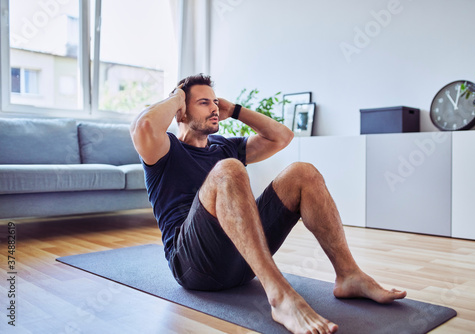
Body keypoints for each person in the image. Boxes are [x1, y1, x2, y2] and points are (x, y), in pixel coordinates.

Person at [130, 74, 406, 334]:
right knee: (229, 169)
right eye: (204, 103)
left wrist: (235, 110)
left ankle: (349, 275)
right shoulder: (164, 149)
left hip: (242, 263)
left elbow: (282, 137)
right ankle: (279, 296)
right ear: (182, 111)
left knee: (303, 172)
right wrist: (177, 97)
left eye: (215, 102)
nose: (214, 108)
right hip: (194, 266)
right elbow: (144, 125)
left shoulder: (223, 146)